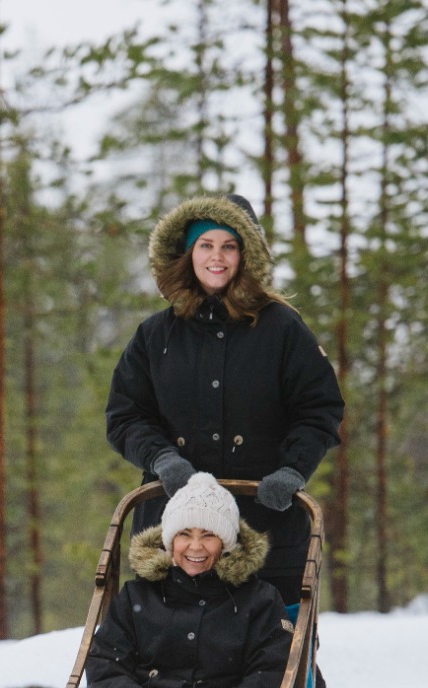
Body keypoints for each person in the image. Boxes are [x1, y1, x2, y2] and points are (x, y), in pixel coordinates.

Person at [104, 194, 344, 605]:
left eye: (229, 246)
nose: (218, 257)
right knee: (164, 651)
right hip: (175, 530)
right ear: (188, 253)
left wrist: (292, 470)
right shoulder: (155, 335)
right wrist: (163, 458)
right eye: (206, 245)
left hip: (266, 527)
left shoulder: (283, 329)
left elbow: (319, 408)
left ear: (245, 254)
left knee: (275, 650)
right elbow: (126, 416)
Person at [85, 473, 290, 688]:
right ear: (169, 542)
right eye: (184, 534)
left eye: (208, 535)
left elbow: (268, 678)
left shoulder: (259, 601)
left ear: (227, 543)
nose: (195, 547)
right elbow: (105, 666)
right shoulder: (137, 597)